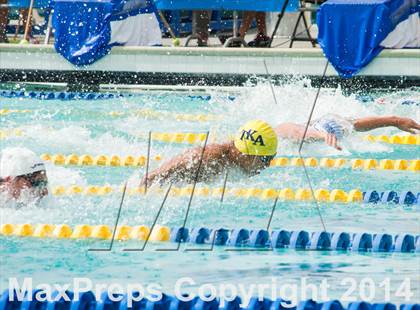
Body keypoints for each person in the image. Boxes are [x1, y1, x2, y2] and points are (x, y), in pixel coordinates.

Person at [142, 115, 420, 185]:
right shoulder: (208, 157)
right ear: (246, 154)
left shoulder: (269, 140)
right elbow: (156, 176)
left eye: (271, 158)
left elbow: (292, 129)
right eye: (265, 159)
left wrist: (395, 121)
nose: (268, 164)